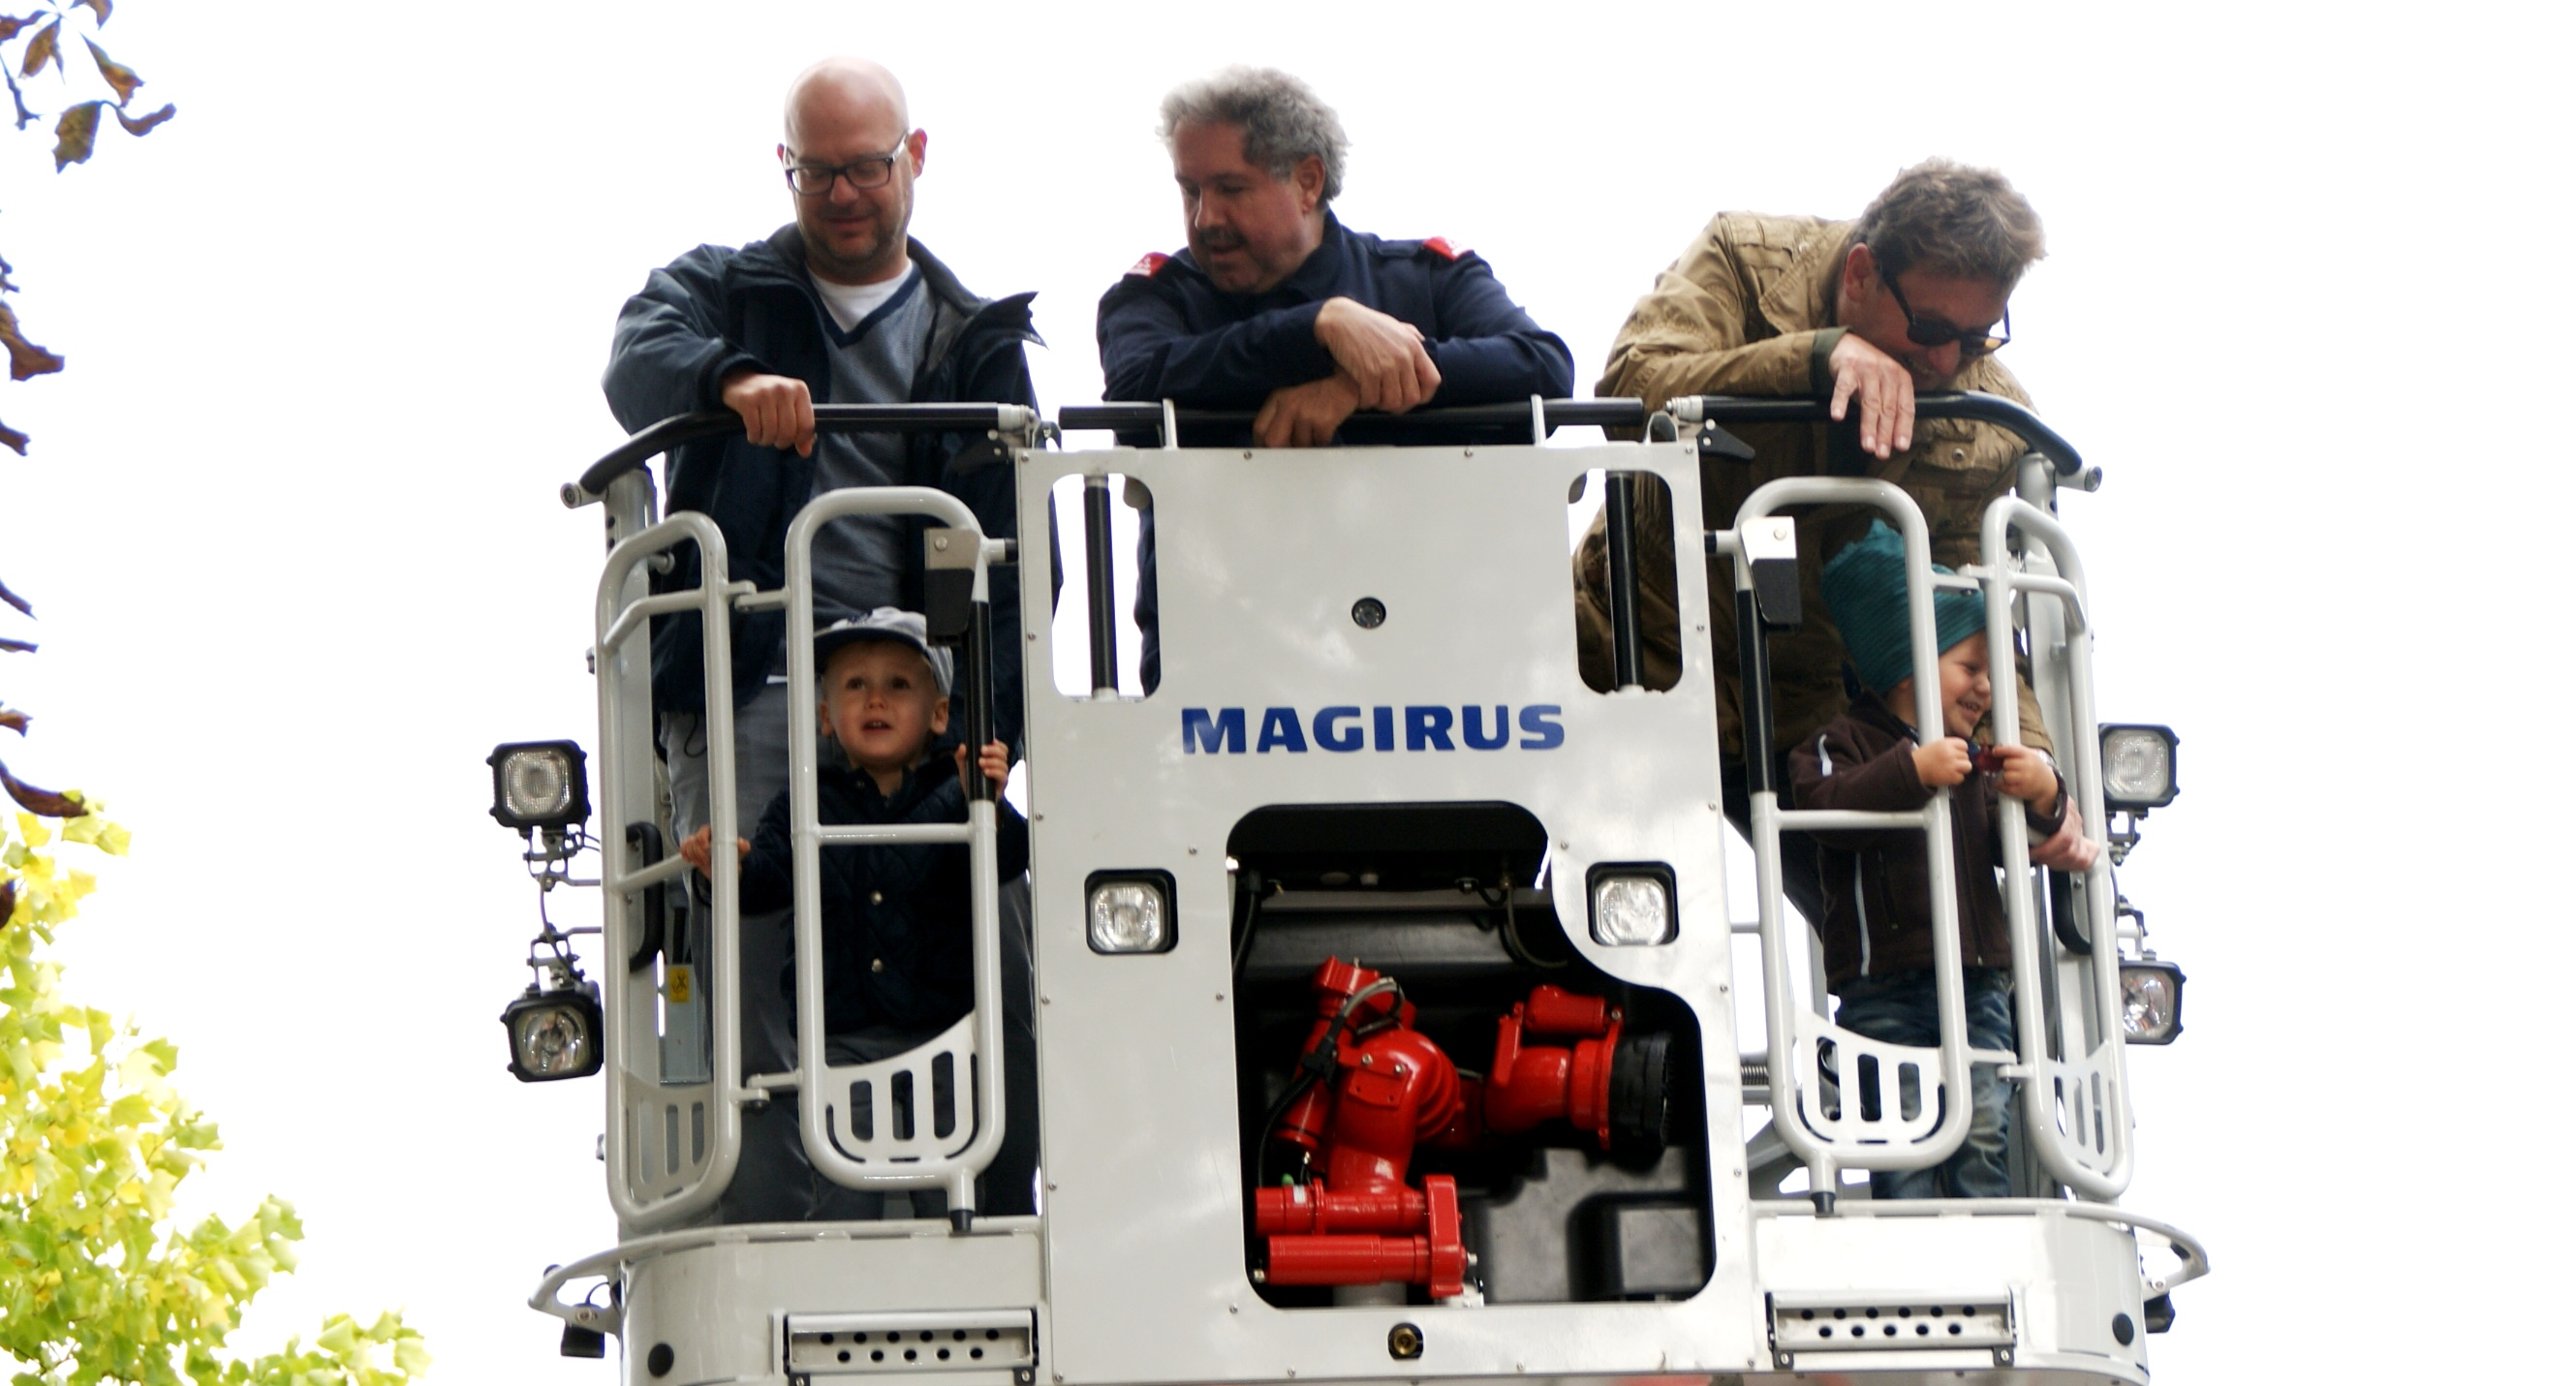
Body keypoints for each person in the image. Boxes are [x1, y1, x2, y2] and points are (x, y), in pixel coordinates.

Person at [603, 55, 1045, 1221]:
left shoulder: (971, 336)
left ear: (915, 157)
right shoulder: (730, 292)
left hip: (918, 681)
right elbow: (635, 355)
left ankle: (985, 1200)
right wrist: (728, 377)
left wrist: (994, 722)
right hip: (755, 668)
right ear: (784, 169)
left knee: (981, 915)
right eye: (818, 172)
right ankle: (769, 1214)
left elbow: (1009, 546)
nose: (844, 194)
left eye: (866, 167)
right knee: (750, 926)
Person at [1570, 161, 2096, 926]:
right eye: (1930, 330)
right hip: (1633, 666)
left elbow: (1965, 613)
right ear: (1859, 274)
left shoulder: (1987, 414)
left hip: (1814, 720)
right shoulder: (1744, 261)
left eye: (1977, 336)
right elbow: (1629, 391)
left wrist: (2035, 759)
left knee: (1927, 945)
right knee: (1600, 933)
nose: (1946, 363)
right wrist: (1817, 359)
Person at [1097, 65, 1572, 688]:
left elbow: (1543, 366)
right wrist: (1319, 326)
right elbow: (1134, 388)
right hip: (1223, 688)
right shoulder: (1157, 297)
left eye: (1231, 189)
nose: (1206, 218)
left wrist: (1354, 388)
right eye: (1190, 191)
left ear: (1307, 181)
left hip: (1447, 680)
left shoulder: (1429, 278)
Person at [681, 609, 1033, 1219]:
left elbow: (1006, 861)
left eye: (898, 684)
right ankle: (844, 1264)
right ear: (825, 717)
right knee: (843, 1189)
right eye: (854, 685)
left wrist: (991, 805)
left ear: (940, 714)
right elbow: (767, 882)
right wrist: (726, 870)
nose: (876, 700)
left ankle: (959, 1262)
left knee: (954, 1190)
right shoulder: (805, 806)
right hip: (840, 1040)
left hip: (945, 1035)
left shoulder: (957, 794)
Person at [1789, 526, 2069, 1200]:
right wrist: (1911, 771)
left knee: (1984, 1129)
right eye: (1971, 669)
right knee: (1904, 1136)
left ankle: (1984, 1238)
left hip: (1978, 983)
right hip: (1885, 985)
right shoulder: (1843, 740)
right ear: (1908, 659)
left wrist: (2044, 794)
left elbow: (2013, 842)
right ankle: (1908, 1237)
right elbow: (1823, 804)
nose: (1987, 690)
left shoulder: (1975, 758)